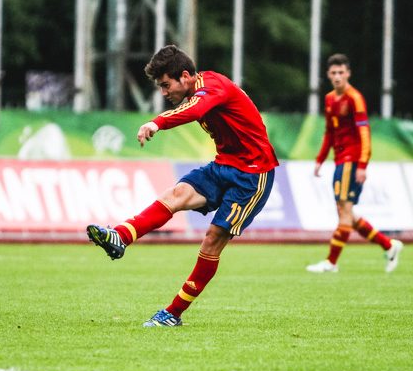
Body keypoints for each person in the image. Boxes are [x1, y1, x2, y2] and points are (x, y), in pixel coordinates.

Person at [87, 45, 278, 327]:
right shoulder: (197, 89)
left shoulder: (212, 85)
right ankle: (121, 236)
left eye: (166, 85)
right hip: (224, 166)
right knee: (175, 195)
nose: (164, 93)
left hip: (252, 175)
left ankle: (172, 313)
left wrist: (157, 123)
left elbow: (195, 108)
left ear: (186, 76)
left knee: (212, 239)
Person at [306, 53, 402, 273]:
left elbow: (365, 133)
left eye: (341, 72)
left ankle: (331, 262)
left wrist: (362, 165)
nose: (338, 76)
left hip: (351, 161)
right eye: (334, 73)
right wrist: (320, 159)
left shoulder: (355, 98)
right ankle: (389, 246)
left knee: (345, 212)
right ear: (328, 75)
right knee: (346, 213)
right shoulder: (330, 99)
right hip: (340, 161)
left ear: (348, 73)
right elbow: (329, 132)